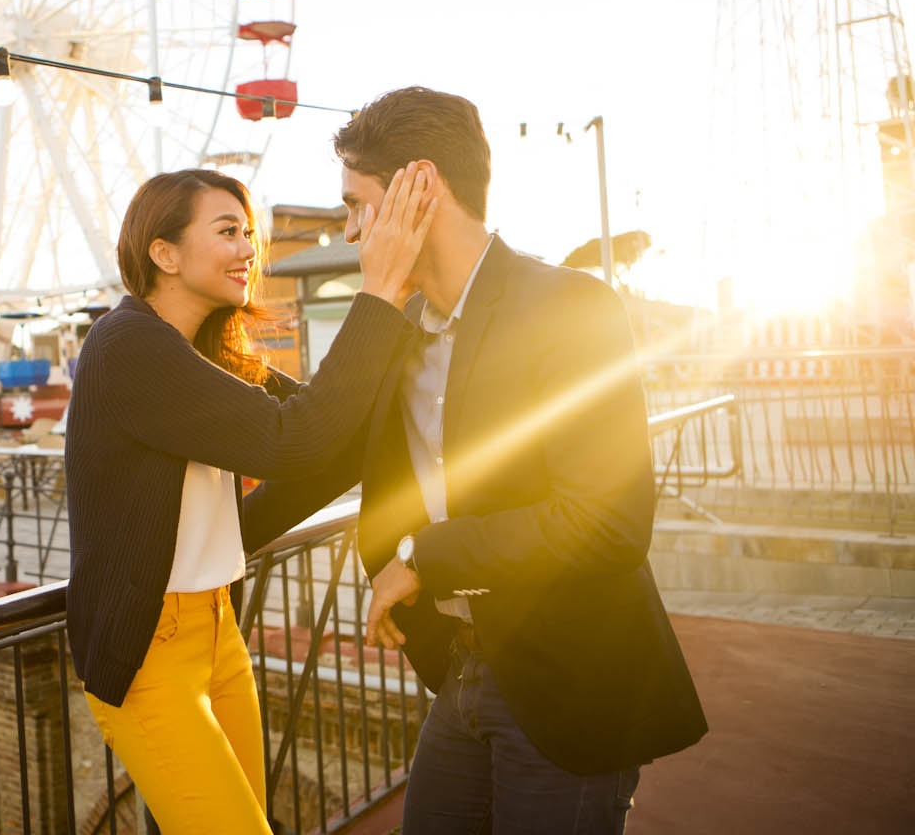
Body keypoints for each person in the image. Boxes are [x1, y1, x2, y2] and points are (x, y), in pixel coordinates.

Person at [246, 86, 707, 834]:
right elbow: (314, 454)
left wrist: (427, 558)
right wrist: (194, 555)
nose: (354, 231)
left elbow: (607, 522)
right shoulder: (393, 330)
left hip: (570, 679)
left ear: (418, 190)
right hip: (459, 666)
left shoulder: (568, 307)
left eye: (356, 206)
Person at [65, 165, 435, 835]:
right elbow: (294, 441)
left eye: (251, 234)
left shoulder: (204, 351)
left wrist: (410, 305)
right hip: (149, 654)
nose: (249, 249)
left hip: (218, 632)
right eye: (228, 231)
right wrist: (377, 289)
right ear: (165, 252)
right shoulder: (127, 346)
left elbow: (333, 441)